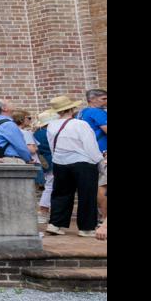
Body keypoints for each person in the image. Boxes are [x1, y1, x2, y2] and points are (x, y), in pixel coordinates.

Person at [44, 95, 105, 236]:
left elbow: (52, 144)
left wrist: (56, 158)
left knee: (60, 193)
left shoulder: (52, 125)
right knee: (86, 195)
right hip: (82, 162)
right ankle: (86, 228)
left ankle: (55, 224)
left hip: (60, 161)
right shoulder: (80, 124)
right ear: (72, 109)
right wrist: (99, 162)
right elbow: (90, 146)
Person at [82, 89, 108, 230]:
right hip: (103, 153)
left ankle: (100, 217)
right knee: (103, 186)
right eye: (103, 99)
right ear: (92, 100)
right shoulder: (97, 112)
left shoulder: (83, 112)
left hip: (90, 153)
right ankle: (104, 219)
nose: (106, 102)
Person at [0, 99, 34, 163]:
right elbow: (21, 147)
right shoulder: (8, 124)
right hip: (11, 161)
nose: (11, 102)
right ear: (4, 108)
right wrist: (29, 159)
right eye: (9, 102)